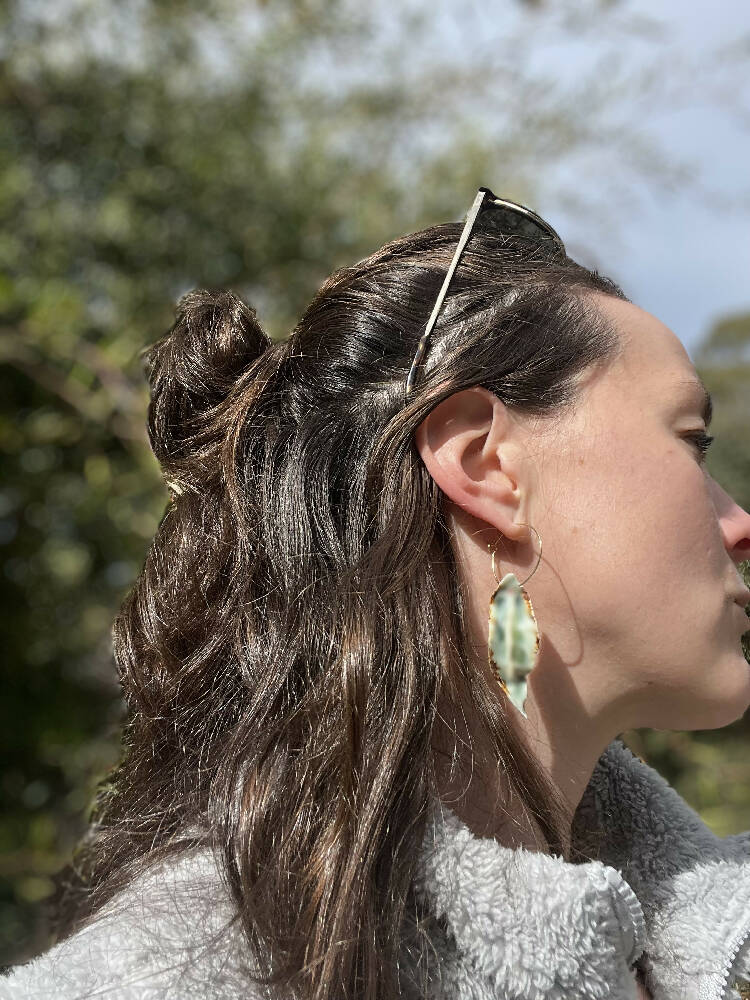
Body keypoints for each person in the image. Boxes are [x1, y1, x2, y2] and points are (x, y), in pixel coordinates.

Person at [3, 187, 750, 1000]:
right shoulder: (167, 980)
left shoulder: (698, 951)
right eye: (691, 440)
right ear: (486, 467)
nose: (739, 521)